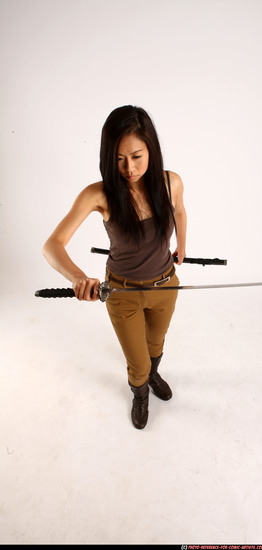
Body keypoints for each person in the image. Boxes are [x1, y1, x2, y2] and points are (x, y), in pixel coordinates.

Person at [42, 105, 187, 429]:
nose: (129, 168)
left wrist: (183, 246)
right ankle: (140, 393)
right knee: (136, 362)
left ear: (151, 148)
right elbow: (52, 245)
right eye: (119, 159)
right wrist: (78, 278)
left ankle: (154, 374)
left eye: (136, 156)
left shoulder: (170, 182)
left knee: (155, 344)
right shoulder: (99, 194)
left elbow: (180, 211)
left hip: (166, 286)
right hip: (123, 293)